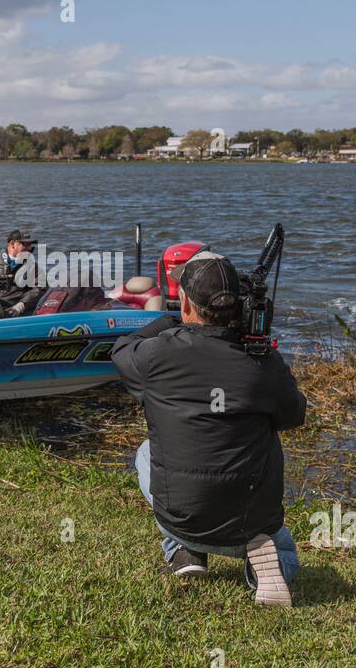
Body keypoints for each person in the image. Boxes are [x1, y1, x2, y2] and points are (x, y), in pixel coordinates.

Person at [110, 250, 308, 606]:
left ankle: (183, 551)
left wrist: (170, 321)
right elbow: (294, 415)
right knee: (263, 447)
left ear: (185, 303)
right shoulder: (264, 363)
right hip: (251, 520)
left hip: (182, 517)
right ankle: (263, 562)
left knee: (145, 452)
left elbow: (121, 349)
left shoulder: (156, 356)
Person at [0, 228, 43, 316]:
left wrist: (21, 305)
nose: (30, 248)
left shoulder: (32, 267)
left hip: (13, 310)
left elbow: (40, 289)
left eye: (30, 245)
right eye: (25, 244)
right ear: (12, 244)